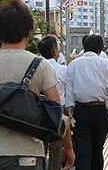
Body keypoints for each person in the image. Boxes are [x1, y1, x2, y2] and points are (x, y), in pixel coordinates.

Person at [0, 0, 75, 169]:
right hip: (27, 156)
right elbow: (57, 114)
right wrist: (68, 147)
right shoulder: (41, 65)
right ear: (30, 31)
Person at [66, 34, 108, 170]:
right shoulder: (105, 64)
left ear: (84, 47)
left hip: (80, 112)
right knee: (97, 150)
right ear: (100, 49)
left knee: (83, 152)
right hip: (100, 111)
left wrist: (69, 115)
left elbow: (69, 94)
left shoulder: (73, 64)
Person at [38, 35, 68, 170]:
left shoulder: (35, 68)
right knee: (55, 153)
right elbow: (69, 96)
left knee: (39, 152)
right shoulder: (63, 70)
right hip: (57, 115)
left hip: (38, 115)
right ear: (55, 51)